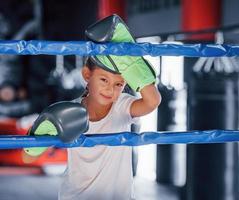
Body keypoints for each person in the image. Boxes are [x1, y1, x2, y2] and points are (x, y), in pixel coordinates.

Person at [23, 14, 161, 199]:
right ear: (87, 75)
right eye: (104, 79)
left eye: (118, 84)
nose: (110, 89)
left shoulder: (122, 105)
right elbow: (27, 157)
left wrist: (127, 57)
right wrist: (40, 131)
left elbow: (152, 101)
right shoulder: (67, 112)